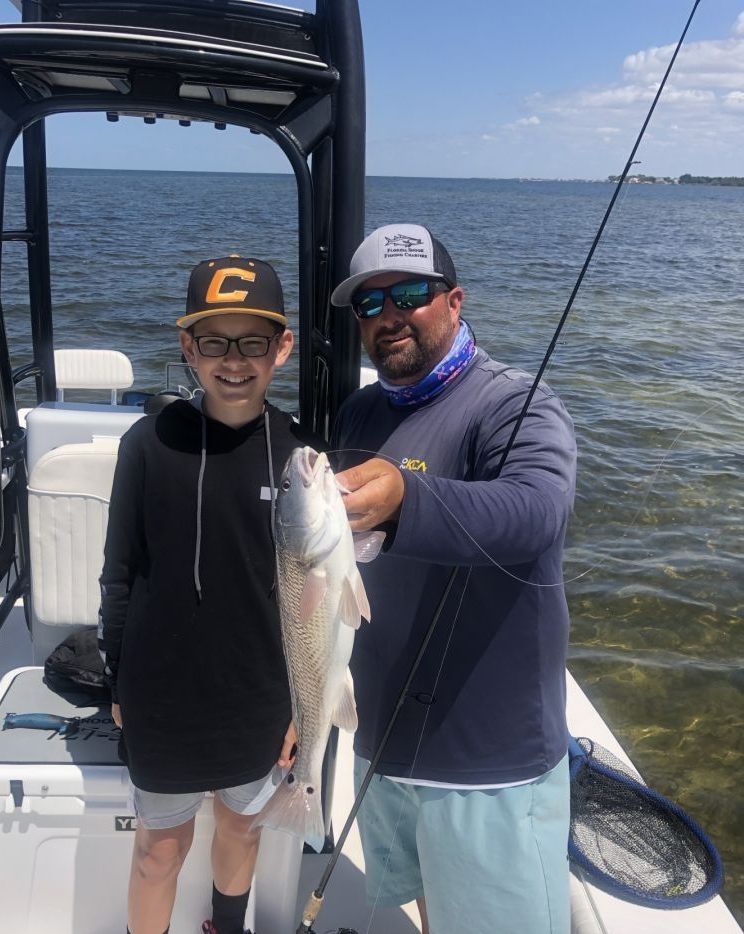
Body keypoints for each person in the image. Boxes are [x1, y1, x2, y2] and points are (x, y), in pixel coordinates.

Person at [330, 224, 576, 934]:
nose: (389, 315)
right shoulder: (361, 409)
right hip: (383, 737)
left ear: (455, 301)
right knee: (433, 907)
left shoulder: (513, 404)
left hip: (484, 759)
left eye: (410, 294)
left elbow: (536, 512)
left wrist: (411, 498)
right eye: (369, 304)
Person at [99, 256, 317, 934]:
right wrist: (117, 682)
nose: (233, 361)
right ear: (187, 347)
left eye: (252, 342)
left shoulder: (300, 456)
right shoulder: (146, 444)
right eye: (214, 342)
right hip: (160, 697)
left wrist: (300, 707)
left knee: (240, 832)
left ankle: (224, 927)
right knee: (158, 852)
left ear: (282, 348)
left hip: (258, 695)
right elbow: (118, 573)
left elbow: (313, 597)